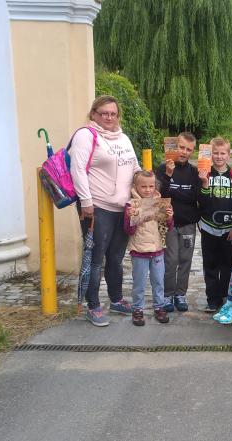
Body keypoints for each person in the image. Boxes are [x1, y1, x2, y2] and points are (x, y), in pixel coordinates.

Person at [71, 95, 140, 326]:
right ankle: (92, 305)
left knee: (116, 258)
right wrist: (86, 201)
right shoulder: (86, 135)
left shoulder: (123, 137)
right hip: (97, 208)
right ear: (94, 114)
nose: (109, 118)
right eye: (104, 113)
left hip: (123, 209)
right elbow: (78, 169)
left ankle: (116, 299)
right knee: (95, 259)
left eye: (113, 114)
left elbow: (135, 166)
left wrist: (146, 189)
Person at [197, 137, 232, 313]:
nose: (219, 156)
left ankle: (225, 296)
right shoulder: (204, 174)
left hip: (228, 230)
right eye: (215, 153)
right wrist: (203, 183)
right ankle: (212, 299)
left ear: (228, 154)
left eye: (222, 153)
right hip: (208, 227)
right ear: (210, 155)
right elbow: (200, 201)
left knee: (227, 265)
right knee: (210, 265)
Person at [156, 132, 200, 313]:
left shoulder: (194, 172)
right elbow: (160, 195)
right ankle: (167, 294)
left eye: (188, 149)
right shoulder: (163, 169)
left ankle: (180, 294)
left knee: (185, 260)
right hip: (169, 223)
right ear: (175, 147)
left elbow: (195, 196)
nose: (184, 152)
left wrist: (175, 194)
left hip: (188, 223)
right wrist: (168, 175)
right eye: (181, 147)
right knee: (171, 260)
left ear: (192, 151)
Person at [123, 170, 174, 326]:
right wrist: (130, 217)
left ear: (155, 186)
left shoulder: (160, 202)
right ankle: (137, 309)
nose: (147, 190)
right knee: (139, 283)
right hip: (139, 251)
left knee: (158, 281)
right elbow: (128, 230)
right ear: (135, 187)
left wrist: (170, 216)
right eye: (143, 186)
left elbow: (168, 227)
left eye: (151, 186)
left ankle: (159, 307)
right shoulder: (131, 205)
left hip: (157, 249)